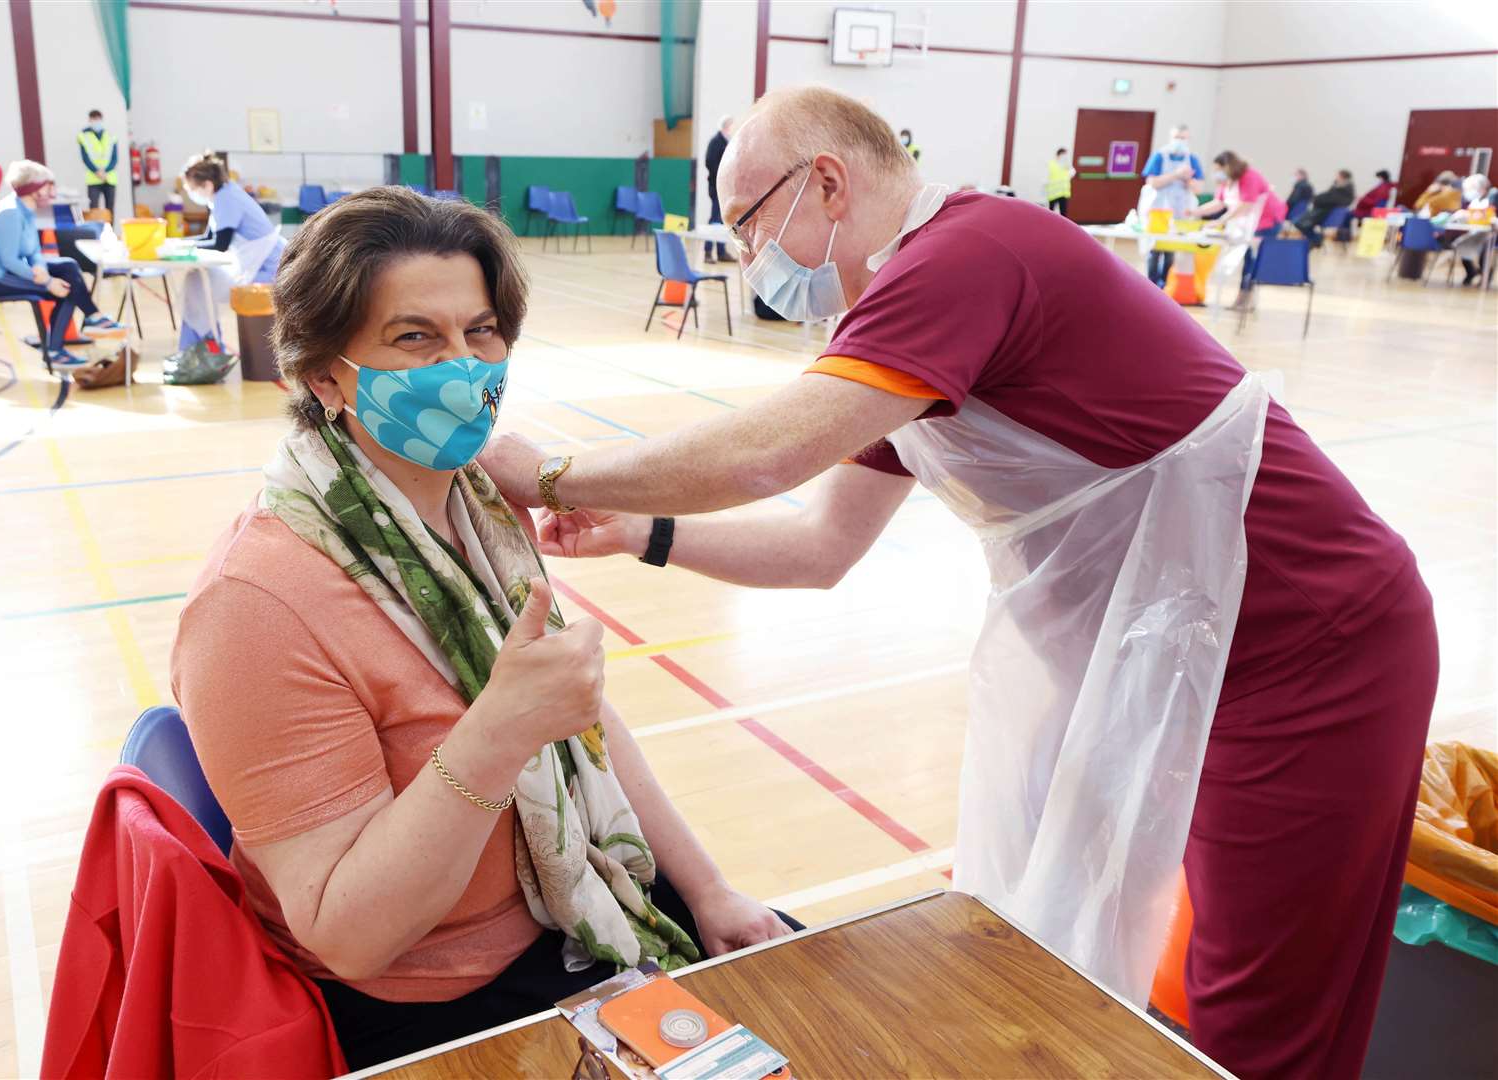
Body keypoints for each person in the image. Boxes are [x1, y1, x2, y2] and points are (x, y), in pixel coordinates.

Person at [478, 85, 1436, 1080]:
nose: (748, 254)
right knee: (1088, 927)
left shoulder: (965, 256)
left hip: (1310, 649)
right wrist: (643, 530)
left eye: (747, 222)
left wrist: (555, 473)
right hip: (1172, 652)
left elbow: (771, 454)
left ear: (828, 182)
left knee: (1263, 1006)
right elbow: (821, 548)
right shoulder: (900, 313)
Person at [169, 186, 798, 1070]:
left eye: (481, 332)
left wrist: (707, 889)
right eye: (414, 337)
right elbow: (348, 937)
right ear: (322, 375)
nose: (462, 366)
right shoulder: (255, 608)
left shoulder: (475, 511)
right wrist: (494, 734)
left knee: (818, 1006)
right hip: (440, 1000)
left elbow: (577, 724)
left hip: (579, 902)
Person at [0, 160, 125, 367]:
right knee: (65, 288)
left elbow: (34, 252)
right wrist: (48, 282)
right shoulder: (10, 213)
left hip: (13, 270)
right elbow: (9, 261)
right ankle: (55, 351)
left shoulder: (25, 210)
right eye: (47, 185)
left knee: (68, 266)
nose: (52, 190)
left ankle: (92, 316)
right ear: (33, 189)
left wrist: (43, 272)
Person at [168, 152, 287, 363]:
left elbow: (220, 244)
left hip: (268, 268)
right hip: (253, 263)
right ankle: (202, 347)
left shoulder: (227, 199)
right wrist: (183, 243)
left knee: (198, 285)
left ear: (206, 185)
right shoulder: (222, 196)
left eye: (193, 189)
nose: (192, 194)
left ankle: (205, 349)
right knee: (197, 281)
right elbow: (209, 237)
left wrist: (184, 246)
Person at [1195, 151, 1289, 306]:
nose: (1216, 174)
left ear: (1228, 167)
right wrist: (1194, 211)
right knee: (1247, 257)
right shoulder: (1228, 181)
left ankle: (1245, 298)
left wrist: (1220, 221)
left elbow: (1246, 205)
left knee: (1251, 259)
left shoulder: (1249, 176)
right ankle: (1244, 298)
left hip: (1267, 222)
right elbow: (1219, 203)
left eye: (1218, 169)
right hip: (1247, 225)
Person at [1140, 124, 1203, 285]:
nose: (1179, 141)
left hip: (1180, 211)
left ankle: (1164, 285)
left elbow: (1198, 188)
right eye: (1177, 137)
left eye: (1183, 138)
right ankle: (1150, 283)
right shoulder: (1160, 156)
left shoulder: (1192, 159)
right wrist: (1175, 175)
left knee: (1171, 249)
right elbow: (1152, 182)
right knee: (1155, 248)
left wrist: (1187, 178)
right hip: (1158, 209)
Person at [1449, 173, 1493, 286]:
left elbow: (1491, 218)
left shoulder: (1492, 199)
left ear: (1482, 188)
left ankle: (1486, 275)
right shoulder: (1474, 201)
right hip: (1473, 232)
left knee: (1484, 249)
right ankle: (1471, 272)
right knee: (1461, 244)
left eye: (1473, 188)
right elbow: (1470, 217)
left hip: (1488, 234)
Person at [1291, 169, 1355, 246]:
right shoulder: (1338, 187)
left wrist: (1317, 200)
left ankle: (1316, 239)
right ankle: (1315, 239)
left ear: (1342, 177)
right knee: (1298, 222)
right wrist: (1317, 199)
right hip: (1321, 211)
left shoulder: (1344, 189)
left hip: (1324, 213)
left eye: (1337, 175)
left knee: (1299, 223)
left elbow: (1332, 199)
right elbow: (1328, 196)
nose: (1336, 177)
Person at [703, 115, 734, 262]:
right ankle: (708, 252)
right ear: (725, 127)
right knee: (715, 220)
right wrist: (723, 174)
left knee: (722, 221)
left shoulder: (727, 142)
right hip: (716, 188)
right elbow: (710, 162)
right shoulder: (715, 142)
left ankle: (721, 252)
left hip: (725, 188)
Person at [79, 109, 118, 220]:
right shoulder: (84, 136)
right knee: (94, 209)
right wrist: (97, 171)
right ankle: (96, 233)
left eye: (98, 119)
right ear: (89, 120)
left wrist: (105, 171)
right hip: (93, 179)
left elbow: (114, 158)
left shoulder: (110, 136)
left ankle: (110, 232)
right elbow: (85, 158)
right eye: (93, 119)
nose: (96, 122)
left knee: (110, 209)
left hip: (109, 178)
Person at [1044, 148, 1073, 216]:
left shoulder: (1066, 165)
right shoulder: (1051, 163)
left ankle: (1063, 226)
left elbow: (1072, 173)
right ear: (1059, 154)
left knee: (1063, 213)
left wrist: (1068, 166)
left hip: (1063, 192)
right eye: (1064, 155)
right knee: (1050, 212)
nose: (1065, 157)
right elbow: (1045, 177)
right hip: (1053, 193)